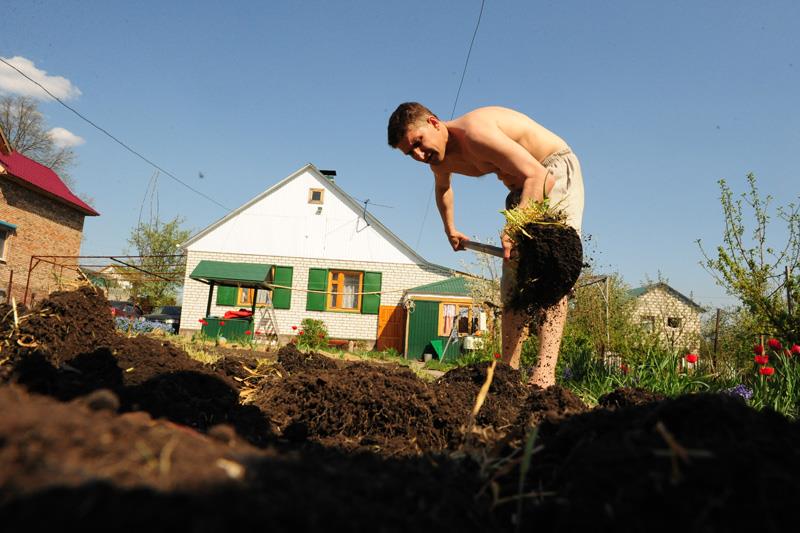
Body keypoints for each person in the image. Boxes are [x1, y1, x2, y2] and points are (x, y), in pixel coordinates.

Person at [387, 103, 584, 387]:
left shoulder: (476, 133)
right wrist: (450, 228)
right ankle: (508, 373)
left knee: (551, 267)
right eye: (410, 153)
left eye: (418, 143)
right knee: (514, 282)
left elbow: (541, 177)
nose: (419, 155)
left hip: (551, 169)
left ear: (433, 122)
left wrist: (514, 225)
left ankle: (544, 375)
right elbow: (443, 189)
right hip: (524, 188)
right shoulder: (437, 160)